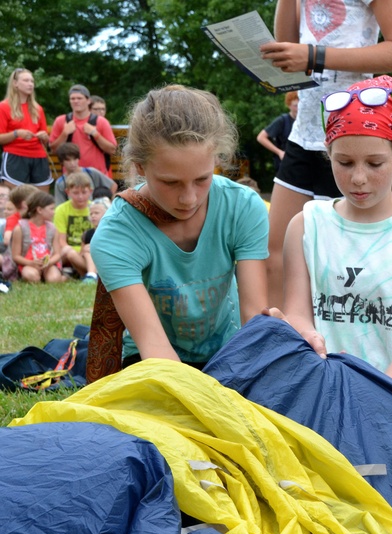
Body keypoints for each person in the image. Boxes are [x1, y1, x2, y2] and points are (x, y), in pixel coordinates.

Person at [269, 75, 392, 384]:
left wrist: (374, 394)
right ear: (328, 154)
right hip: (327, 384)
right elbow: (299, 313)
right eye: (345, 162)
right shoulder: (306, 225)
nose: (358, 178)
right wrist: (307, 337)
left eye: (374, 164)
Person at [90, 85, 269, 367]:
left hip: (231, 349)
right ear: (139, 167)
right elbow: (155, 348)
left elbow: (254, 318)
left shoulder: (243, 207)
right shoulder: (116, 235)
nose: (189, 199)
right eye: (170, 182)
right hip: (153, 357)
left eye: (202, 179)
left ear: (217, 161)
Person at [259, 0, 392, 308]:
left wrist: (315, 56)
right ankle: (280, 340)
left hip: (355, 136)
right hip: (304, 133)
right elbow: (287, 48)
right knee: (274, 251)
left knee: (351, 257)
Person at [49, 84, 118, 178]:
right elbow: (53, 150)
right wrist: (64, 134)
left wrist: (96, 134)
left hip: (97, 176)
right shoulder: (61, 121)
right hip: (71, 176)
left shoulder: (101, 121)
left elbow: (112, 150)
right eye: (72, 98)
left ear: (88, 100)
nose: (76, 101)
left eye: (79, 98)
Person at [0, 68, 52, 192]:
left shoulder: (37, 108)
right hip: (15, 156)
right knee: (15, 199)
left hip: (39, 156)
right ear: (15, 83)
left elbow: (46, 140)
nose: (30, 84)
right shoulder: (3, 107)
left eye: (32, 81)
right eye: (26, 80)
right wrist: (16, 133)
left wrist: (44, 137)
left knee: (41, 200)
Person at [10, 190, 64, 283]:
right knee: (32, 277)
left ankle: (60, 277)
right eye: (51, 209)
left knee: (54, 279)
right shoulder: (20, 228)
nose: (54, 212)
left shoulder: (53, 228)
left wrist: (49, 263)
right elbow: (16, 256)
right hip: (28, 264)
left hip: (48, 264)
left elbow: (57, 254)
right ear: (39, 210)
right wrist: (31, 263)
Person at [52, 170, 93, 279]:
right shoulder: (61, 210)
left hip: (89, 250)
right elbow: (61, 240)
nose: (80, 197)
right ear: (67, 192)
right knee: (68, 252)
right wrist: (75, 251)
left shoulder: (94, 208)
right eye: (75, 193)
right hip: (70, 250)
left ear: (90, 191)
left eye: (84, 192)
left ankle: (86, 274)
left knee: (89, 250)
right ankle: (90, 274)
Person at [257, 91, 299, 173]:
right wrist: (279, 152)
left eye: (300, 105)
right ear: (289, 105)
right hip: (286, 165)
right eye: (295, 106)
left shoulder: (305, 122)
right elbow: (261, 137)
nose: (298, 109)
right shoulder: (283, 120)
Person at [79, 196, 110, 283]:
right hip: (89, 262)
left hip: (105, 261)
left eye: (96, 213)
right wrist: (85, 250)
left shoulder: (111, 232)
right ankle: (91, 274)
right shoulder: (87, 234)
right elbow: (81, 254)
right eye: (91, 213)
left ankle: (92, 274)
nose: (93, 216)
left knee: (92, 248)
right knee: (82, 250)